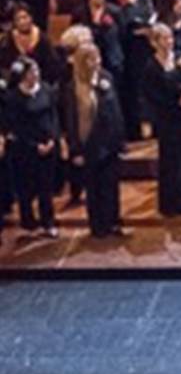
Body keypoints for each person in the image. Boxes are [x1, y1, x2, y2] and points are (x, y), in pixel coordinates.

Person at [58, 42, 128, 237]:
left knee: (110, 186)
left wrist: (121, 140)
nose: (96, 62)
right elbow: (72, 121)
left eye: (97, 57)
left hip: (109, 142)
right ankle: (98, 225)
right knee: (94, 187)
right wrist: (75, 150)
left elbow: (116, 111)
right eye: (91, 59)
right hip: (88, 143)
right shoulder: (73, 88)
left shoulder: (106, 79)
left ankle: (113, 221)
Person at [142, 22, 181, 216]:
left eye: (171, 38)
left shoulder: (180, 59)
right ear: (155, 42)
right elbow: (152, 94)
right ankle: (172, 202)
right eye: (165, 39)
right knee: (172, 159)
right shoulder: (151, 67)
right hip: (168, 118)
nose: (169, 42)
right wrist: (176, 102)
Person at [5, 56, 61, 237]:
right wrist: (33, 145)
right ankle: (28, 223)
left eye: (36, 70)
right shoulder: (13, 98)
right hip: (25, 150)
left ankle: (48, 222)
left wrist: (53, 138)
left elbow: (53, 115)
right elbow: (14, 127)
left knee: (46, 188)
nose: (36, 74)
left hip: (48, 146)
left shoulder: (46, 90)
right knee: (26, 189)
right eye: (31, 72)